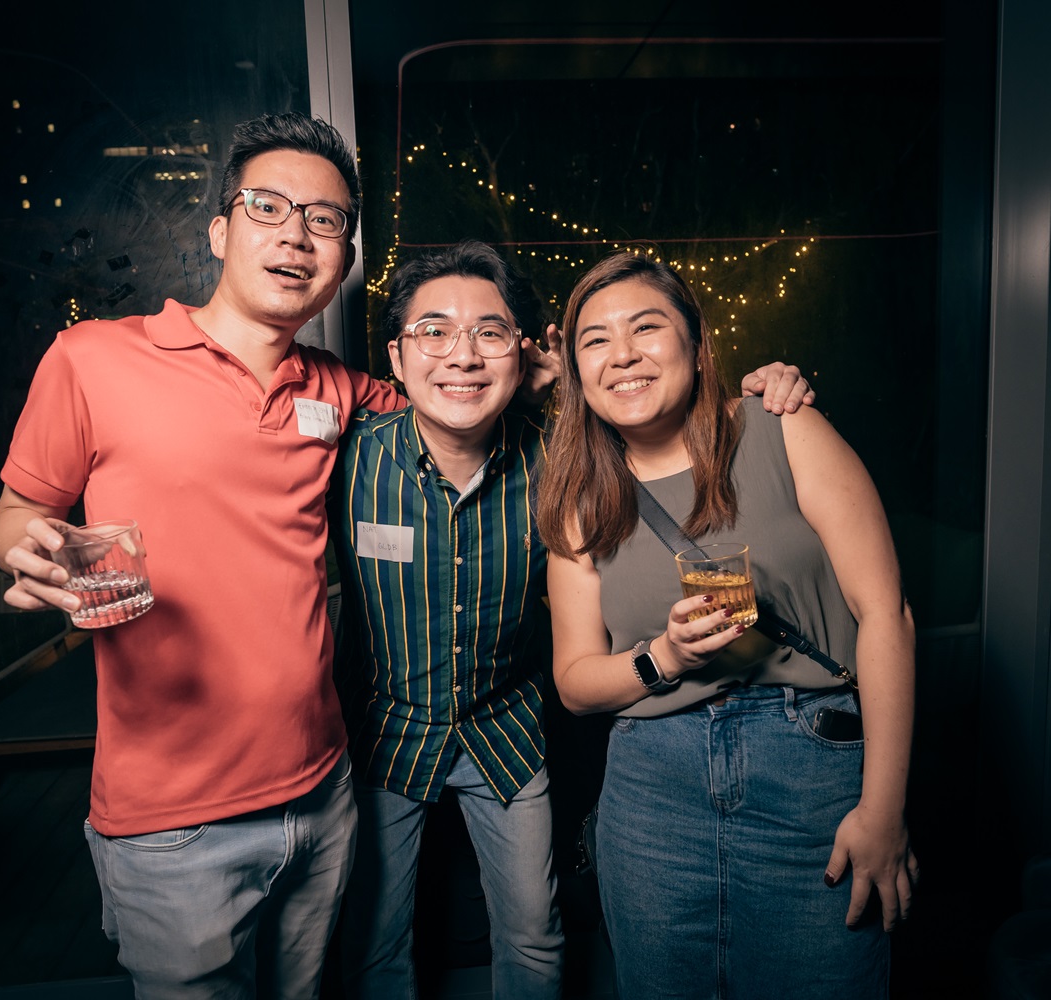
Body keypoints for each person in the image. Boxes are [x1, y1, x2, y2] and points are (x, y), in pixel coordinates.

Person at [0, 109, 811, 998]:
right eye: (267, 207)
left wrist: (744, 392)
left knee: (405, 962)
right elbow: (15, 520)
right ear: (220, 229)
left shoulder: (345, 396)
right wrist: (36, 555)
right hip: (208, 797)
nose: (295, 234)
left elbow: (489, 388)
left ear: (343, 253)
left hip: (335, 778)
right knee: (347, 959)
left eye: (325, 219)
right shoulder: (104, 361)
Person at [332, 242, 817, 998]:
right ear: (396, 357)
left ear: (522, 353)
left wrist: (769, 385)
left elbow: (656, 416)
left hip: (505, 730)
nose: (462, 354)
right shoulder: (343, 458)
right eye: (434, 331)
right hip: (384, 731)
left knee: (534, 934)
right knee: (372, 941)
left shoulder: (558, 466)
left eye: (489, 333)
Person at [537, 251, 919, 999]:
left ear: (695, 341)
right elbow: (576, 682)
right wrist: (665, 656)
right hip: (653, 792)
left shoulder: (784, 429)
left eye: (647, 327)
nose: (623, 354)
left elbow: (886, 616)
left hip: (811, 767)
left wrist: (884, 810)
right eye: (595, 340)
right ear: (578, 369)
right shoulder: (579, 496)